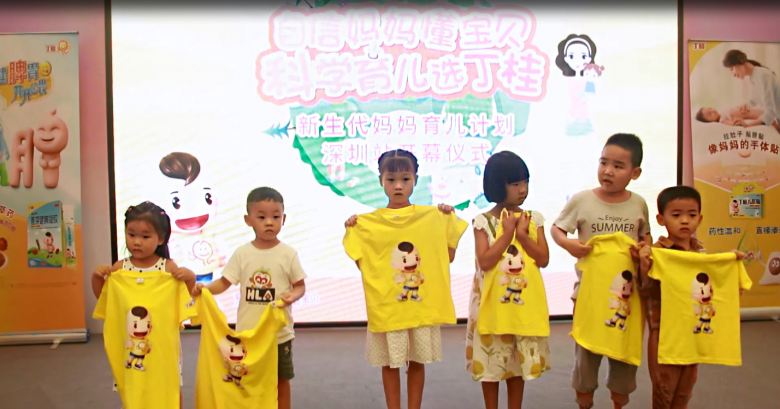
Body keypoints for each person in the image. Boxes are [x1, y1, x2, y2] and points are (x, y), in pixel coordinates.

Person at [344, 149, 462, 409]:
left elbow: (448, 257)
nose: (398, 186)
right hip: (388, 310)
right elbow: (364, 264)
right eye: (391, 179)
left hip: (420, 309)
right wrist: (355, 229)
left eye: (405, 179)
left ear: (416, 180)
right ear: (380, 181)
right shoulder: (367, 224)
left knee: (417, 361)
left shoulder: (433, 217)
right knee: (389, 363)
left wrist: (445, 219)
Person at [551, 133, 652, 409]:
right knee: (586, 356)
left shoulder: (638, 204)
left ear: (635, 173)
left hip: (626, 299)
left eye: (618, 166)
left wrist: (644, 250)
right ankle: (584, 402)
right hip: (589, 295)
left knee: (623, 359)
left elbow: (646, 238)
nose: (608, 171)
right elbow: (557, 228)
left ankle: (619, 401)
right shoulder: (582, 200)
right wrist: (568, 244)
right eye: (603, 162)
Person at [191, 187, 307, 409]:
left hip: (279, 335)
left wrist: (292, 296)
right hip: (249, 335)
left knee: (281, 379)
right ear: (248, 220)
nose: (269, 222)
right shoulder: (242, 254)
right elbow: (224, 283)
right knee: (247, 379)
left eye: (275, 217)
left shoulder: (288, 254)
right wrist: (205, 288)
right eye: (261, 217)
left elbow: (300, 286)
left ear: (284, 219)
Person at [637, 186, 745, 408]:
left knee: (685, 390)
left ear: (700, 219)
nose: (684, 221)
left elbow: (712, 286)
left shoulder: (701, 253)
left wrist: (730, 267)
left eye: (692, 215)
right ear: (661, 219)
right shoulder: (657, 252)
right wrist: (644, 265)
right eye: (676, 215)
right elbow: (644, 290)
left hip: (692, 330)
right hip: (664, 331)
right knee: (664, 388)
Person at [466, 151, 551, 409]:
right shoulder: (483, 222)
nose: (522, 189)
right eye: (515, 184)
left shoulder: (533, 219)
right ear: (496, 185)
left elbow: (543, 258)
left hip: (522, 307)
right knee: (491, 365)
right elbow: (485, 261)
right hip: (491, 307)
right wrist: (507, 234)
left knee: (517, 364)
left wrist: (523, 236)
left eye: (525, 182)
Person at [92, 201, 196, 408]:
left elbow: (186, 298)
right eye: (131, 235)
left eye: (145, 236)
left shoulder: (168, 268)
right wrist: (97, 278)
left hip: (163, 346)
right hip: (129, 344)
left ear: (161, 238)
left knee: (169, 385)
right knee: (134, 385)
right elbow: (106, 301)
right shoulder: (120, 268)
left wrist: (190, 278)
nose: (137, 242)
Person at [722, 49, 780, 132]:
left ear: (740, 61)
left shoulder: (762, 75)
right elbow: (754, 100)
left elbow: (770, 111)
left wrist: (748, 125)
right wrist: (746, 106)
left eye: (732, 69)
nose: (733, 75)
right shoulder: (754, 77)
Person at [695, 104, 765, 126]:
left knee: (764, 112)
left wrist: (742, 106)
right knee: (764, 116)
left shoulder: (723, 112)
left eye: (710, 108)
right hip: (749, 115)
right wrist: (735, 121)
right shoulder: (722, 120)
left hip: (747, 110)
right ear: (710, 122)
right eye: (710, 114)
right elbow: (732, 123)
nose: (712, 111)